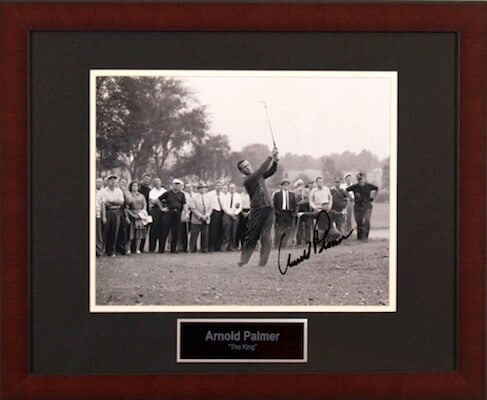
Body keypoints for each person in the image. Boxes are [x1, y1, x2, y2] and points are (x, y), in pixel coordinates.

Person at [237, 146, 279, 267]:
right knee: (252, 236)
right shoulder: (248, 179)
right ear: (242, 171)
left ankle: (262, 263)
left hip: (269, 208)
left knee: (267, 237)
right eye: (244, 167)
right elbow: (261, 170)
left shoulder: (258, 175)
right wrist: (271, 156)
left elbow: (270, 171)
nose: (247, 167)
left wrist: (275, 161)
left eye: (248, 165)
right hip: (257, 210)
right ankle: (244, 260)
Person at [346, 172, 378, 240]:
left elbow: (377, 189)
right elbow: (346, 191)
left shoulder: (369, 185)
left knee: (366, 221)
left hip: (367, 206)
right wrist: (350, 198)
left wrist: (373, 197)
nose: (360, 181)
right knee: (359, 221)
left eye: (361, 179)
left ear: (364, 178)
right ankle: (359, 238)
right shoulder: (355, 186)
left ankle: (365, 237)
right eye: (358, 179)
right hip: (358, 206)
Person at [159, 179, 187, 253]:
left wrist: (186, 213)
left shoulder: (182, 194)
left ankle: (173, 249)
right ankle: (161, 249)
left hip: (177, 213)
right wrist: (162, 208)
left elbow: (184, 204)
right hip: (169, 213)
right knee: (165, 231)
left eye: (178, 184)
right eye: (175, 184)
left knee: (175, 232)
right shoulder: (167, 193)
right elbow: (158, 200)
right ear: (172, 185)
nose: (176, 186)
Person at [101, 176, 124, 257]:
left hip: (116, 212)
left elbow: (121, 202)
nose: (113, 182)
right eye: (111, 180)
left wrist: (111, 201)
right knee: (105, 231)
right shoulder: (104, 191)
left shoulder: (119, 191)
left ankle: (111, 251)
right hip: (107, 211)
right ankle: (102, 249)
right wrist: (115, 203)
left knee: (114, 231)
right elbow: (104, 203)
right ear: (107, 181)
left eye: (114, 180)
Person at [273, 178, 297, 248]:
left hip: (289, 214)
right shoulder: (277, 194)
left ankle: (284, 244)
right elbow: (274, 205)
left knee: (288, 230)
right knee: (279, 230)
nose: (286, 186)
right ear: (281, 186)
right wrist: (277, 213)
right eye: (284, 185)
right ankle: (277, 245)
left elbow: (295, 205)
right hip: (280, 214)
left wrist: (293, 213)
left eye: (287, 185)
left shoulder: (292, 194)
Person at [189, 182, 212, 252]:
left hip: (206, 218)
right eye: (201, 188)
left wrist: (207, 215)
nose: (203, 190)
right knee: (194, 234)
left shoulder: (208, 197)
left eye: (204, 188)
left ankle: (204, 248)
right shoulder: (194, 197)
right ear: (198, 189)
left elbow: (210, 208)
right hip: (197, 219)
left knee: (205, 234)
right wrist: (200, 216)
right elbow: (193, 208)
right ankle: (192, 249)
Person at [126, 181, 148, 255]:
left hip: (140, 215)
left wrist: (141, 213)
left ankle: (137, 249)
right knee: (130, 233)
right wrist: (132, 215)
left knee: (139, 233)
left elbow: (145, 205)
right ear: (131, 187)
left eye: (136, 186)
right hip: (132, 214)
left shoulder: (141, 196)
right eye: (133, 186)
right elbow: (127, 207)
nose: (135, 187)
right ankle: (128, 249)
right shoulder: (129, 196)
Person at [221, 183, 243, 251]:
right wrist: (230, 214)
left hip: (235, 214)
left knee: (234, 231)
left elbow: (240, 206)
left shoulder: (238, 196)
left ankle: (233, 246)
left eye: (233, 188)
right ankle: (226, 245)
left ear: (235, 188)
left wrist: (235, 213)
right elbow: (224, 207)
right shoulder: (225, 196)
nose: (232, 189)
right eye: (230, 188)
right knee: (227, 230)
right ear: (229, 188)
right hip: (227, 214)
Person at [148, 177, 167, 252]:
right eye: (155, 182)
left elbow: (166, 200)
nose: (157, 183)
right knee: (154, 229)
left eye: (158, 181)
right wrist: (160, 202)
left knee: (163, 229)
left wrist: (160, 202)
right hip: (155, 210)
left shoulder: (164, 191)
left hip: (163, 210)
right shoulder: (152, 191)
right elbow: (153, 201)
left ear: (161, 182)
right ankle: (152, 248)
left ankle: (161, 248)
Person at [136, 173, 152, 253]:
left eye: (148, 179)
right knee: (137, 229)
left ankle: (141, 248)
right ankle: (135, 247)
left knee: (145, 230)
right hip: (138, 210)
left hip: (147, 212)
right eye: (145, 179)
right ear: (142, 179)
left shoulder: (150, 190)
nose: (147, 180)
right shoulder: (138, 188)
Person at [207, 181, 225, 251]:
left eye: (220, 186)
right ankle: (211, 246)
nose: (219, 187)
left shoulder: (223, 195)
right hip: (214, 213)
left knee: (220, 230)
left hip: (221, 212)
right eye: (218, 186)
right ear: (215, 186)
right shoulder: (210, 194)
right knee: (213, 230)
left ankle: (218, 246)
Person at [293, 179, 312, 245]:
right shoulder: (294, 192)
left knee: (307, 225)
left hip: (306, 210)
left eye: (301, 184)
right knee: (299, 226)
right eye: (299, 184)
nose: (300, 186)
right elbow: (294, 201)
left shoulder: (307, 191)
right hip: (298, 210)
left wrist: (301, 202)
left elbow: (309, 199)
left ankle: (307, 241)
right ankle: (299, 241)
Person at [115, 177, 130, 255]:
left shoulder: (125, 192)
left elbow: (127, 204)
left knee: (123, 231)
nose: (123, 184)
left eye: (125, 183)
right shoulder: (116, 191)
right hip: (115, 211)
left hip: (122, 213)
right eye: (122, 182)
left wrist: (127, 217)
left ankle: (122, 249)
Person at [178, 182, 194, 252]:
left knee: (191, 230)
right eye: (187, 187)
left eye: (190, 187)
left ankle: (191, 246)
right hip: (185, 213)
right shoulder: (183, 194)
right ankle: (182, 246)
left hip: (193, 213)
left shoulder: (195, 195)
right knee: (183, 230)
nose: (189, 188)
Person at [95, 178, 106, 257]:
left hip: (98, 215)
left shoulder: (102, 193)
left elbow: (103, 205)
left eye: (101, 182)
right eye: (98, 182)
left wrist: (104, 216)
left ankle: (98, 251)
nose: (99, 184)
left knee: (98, 234)